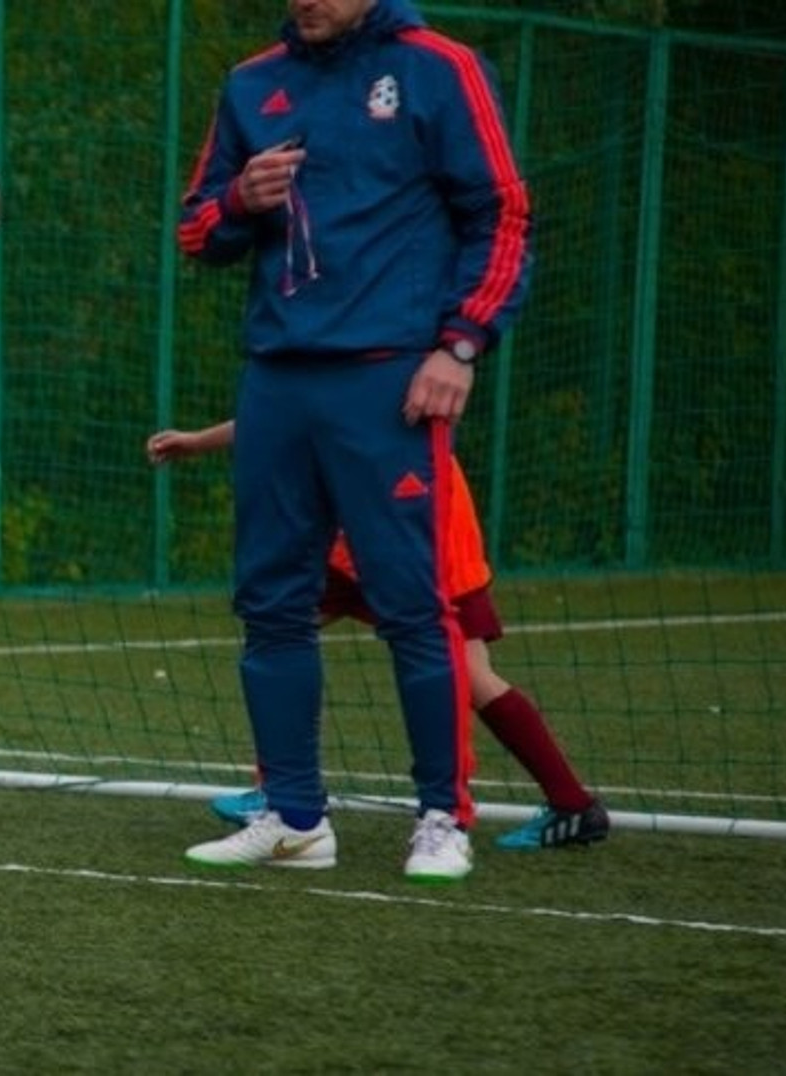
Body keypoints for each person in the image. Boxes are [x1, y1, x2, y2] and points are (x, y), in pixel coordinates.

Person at [174, 0, 532, 882]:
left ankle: (442, 816)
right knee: (270, 605)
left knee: (414, 605)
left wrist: (460, 344)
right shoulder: (252, 83)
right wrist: (238, 199)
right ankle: (296, 817)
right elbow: (195, 229)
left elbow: (504, 215)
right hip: (278, 381)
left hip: (390, 381)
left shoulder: (438, 68)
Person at [148, 421, 610, 850]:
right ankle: (281, 793)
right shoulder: (331, 361)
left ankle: (519, 808)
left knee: (466, 673)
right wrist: (197, 442)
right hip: (359, 523)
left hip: (416, 520)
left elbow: (306, 412)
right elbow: (283, 409)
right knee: (278, 633)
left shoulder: (388, 361)